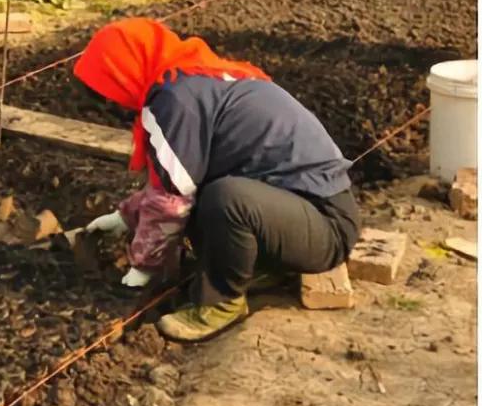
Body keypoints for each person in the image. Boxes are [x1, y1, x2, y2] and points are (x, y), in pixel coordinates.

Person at [74, 18, 359, 342]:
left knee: (226, 199)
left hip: (325, 228)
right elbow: (177, 182)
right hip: (298, 213)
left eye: (109, 91)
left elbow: (170, 203)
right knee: (208, 194)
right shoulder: (192, 80)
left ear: (123, 71)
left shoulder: (174, 99)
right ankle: (255, 267)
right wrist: (125, 217)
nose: (113, 104)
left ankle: (223, 301)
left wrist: (142, 269)